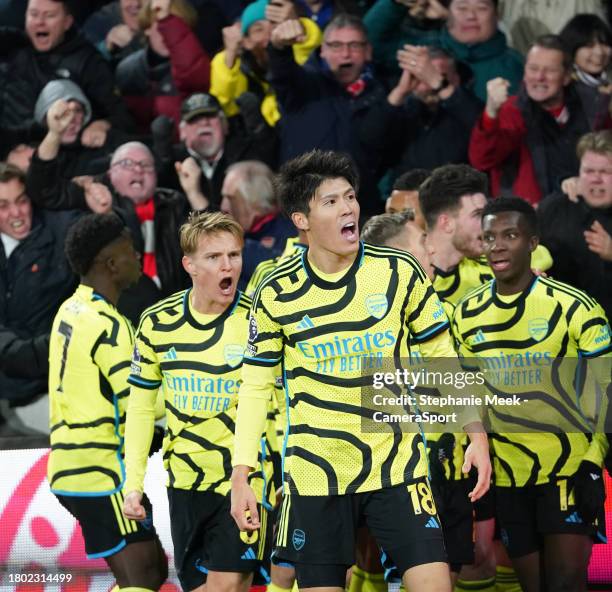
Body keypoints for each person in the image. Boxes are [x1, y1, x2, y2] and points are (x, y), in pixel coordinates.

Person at [230, 149, 491, 591]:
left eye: (350, 196)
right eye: (330, 202)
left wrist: (476, 434)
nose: (348, 208)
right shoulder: (276, 292)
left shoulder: (399, 270)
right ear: (301, 219)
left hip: (397, 467)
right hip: (316, 474)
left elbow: (441, 354)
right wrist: (242, 473)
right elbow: (255, 388)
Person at [453, 196, 611, 592]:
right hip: (507, 476)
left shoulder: (575, 307)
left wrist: (594, 461)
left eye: (510, 235)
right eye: (489, 237)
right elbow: (464, 391)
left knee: (565, 584)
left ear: (533, 242)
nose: (498, 246)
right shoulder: (466, 314)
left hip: (569, 469)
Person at [123, 211, 274, 591]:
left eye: (234, 255)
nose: (229, 266)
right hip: (184, 482)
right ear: (189, 265)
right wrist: (133, 484)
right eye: (214, 257)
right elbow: (141, 409)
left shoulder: (259, 319)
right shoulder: (157, 323)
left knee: (226, 584)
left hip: (242, 481)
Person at [47, 212, 168, 591]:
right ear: (111, 264)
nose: (137, 258)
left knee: (149, 571)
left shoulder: (69, 310)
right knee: (144, 572)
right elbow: (143, 400)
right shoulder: (108, 324)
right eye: (131, 251)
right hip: (100, 469)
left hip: (70, 462)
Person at [267, 14, 394, 214]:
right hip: (304, 210)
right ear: (323, 50)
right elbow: (283, 74)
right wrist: (278, 48)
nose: (345, 54)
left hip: (360, 212)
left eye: (354, 46)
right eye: (336, 45)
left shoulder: (384, 94)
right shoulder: (304, 85)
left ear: (368, 51)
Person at [469, 35, 606, 205]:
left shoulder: (593, 107)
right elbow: (482, 160)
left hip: (588, 211)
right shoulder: (511, 111)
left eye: (549, 70)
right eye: (533, 69)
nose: (539, 77)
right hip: (529, 218)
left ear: (566, 76)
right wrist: (491, 112)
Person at [0, 162, 79, 438]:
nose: (16, 213)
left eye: (21, 201)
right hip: (12, 390)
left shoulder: (58, 238)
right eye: (4, 206)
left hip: (51, 386)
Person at [0, 0, 134, 145]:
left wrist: (102, 125)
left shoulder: (89, 62)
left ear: (67, 22)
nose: (40, 22)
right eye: (33, 14)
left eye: (49, 15)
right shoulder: (13, 45)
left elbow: (123, 119)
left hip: (54, 156)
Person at [154, 92, 278, 208]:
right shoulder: (172, 165)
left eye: (211, 116)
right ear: (182, 132)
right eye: (194, 119)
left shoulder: (247, 152)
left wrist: (260, 131)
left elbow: (270, 157)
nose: (204, 122)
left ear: (225, 126)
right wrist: (163, 162)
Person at [210, 0, 322, 127]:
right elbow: (224, 108)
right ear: (246, 41)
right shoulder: (241, 70)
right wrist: (229, 57)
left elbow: (308, 48)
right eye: (259, 30)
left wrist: (299, 27)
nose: (269, 36)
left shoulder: (301, 58)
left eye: (275, 26)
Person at [538, 130, 612, 321]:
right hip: (562, 327)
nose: (596, 179)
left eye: (605, 172)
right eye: (588, 171)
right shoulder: (553, 209)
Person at [382, 44, 483, 175]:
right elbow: (370, 141)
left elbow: (484, 128)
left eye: (437, 76)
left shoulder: (467, 107)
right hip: (407, 192)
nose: (430, 86)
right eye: (421, 77)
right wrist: (400, 92)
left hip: (456, 191)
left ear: (456, 79)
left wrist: (440, 85)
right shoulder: (402, 111)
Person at [115, 0, 211, 134]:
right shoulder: (128, 70)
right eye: (161, 25)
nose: (168, 34)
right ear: (147, 28)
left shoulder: (197, 64)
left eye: (176, 27)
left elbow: (191, 73)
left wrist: (167, 20)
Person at [220, 160, 297, 284]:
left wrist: (240, 249)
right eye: (223, 197)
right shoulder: (233, 234)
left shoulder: (290, 234)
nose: (223, 206)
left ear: (254, 202)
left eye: (231, 199)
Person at [559, 13, 612, 130]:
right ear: (571, 48)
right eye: (589, 45)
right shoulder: (562, 90)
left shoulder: (605, 86)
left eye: (604, 44)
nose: (599, 52)